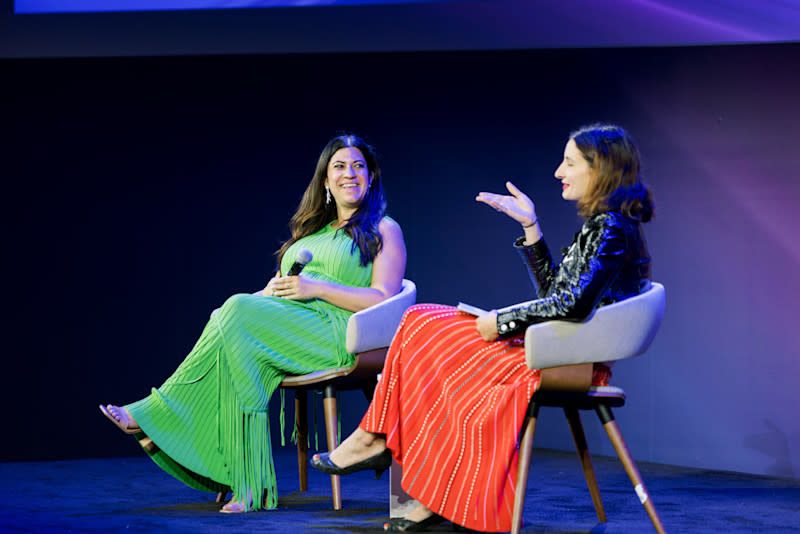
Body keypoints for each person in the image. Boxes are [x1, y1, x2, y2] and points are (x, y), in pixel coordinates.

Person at [311, 123, 654, 532]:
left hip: (566, 359)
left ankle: (380, 445)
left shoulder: (611, 228)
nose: (559, 172)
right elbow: (560, 292)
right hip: (556, 347)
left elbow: (571, 305)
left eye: (570, 163)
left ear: (600, 169)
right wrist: (531, 229)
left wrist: (502, 321)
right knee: (420, 330)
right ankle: (398, 471)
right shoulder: (605, 224)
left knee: (421, 328)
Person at [99, 134, 407, 513]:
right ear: (325, 182)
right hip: (291, 327)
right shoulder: (311, 234)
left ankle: (163, 419)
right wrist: (238, 311)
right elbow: (274, 290)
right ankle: (247, 484)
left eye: (359, 166)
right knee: (230, 319)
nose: (350, 174)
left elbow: (384, 298)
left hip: (341, 333)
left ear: (371, 177)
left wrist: (318, 288)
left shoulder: (384, 228)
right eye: (339, 167)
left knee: (236, 315)